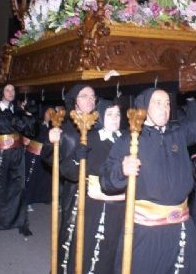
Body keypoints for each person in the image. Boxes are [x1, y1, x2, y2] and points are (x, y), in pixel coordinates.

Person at [100, 87, 196, 273]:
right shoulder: (129, 139)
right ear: (144, 107)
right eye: (157, 103)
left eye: (167, 104)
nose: (164, 108)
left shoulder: (178, 133)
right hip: (146, 230)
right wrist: (121, 170)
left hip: (181, 225)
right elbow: (106, 181)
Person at [50, 99, 126, 274]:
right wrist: (77, 157)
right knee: (90, 250)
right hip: (94, 205)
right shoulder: (89, 138)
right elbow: (67, 171)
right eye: (109, 114)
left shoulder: (127, 139)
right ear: (99, 117)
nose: (115, 119)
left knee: (114, 250)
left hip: (121, 205)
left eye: (117, 114)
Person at [43, 84, 99, 273]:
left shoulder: (100, 125)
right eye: (84, 96)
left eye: (92, 96)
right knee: (72, 234)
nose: (90, 99)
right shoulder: (65, 130)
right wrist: (50, 142)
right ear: (74, 101)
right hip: (75, 190)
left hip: (100, 190)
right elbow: (51, 159)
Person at [0, 84, 36, 236]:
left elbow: (31, 131)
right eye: (7, 90)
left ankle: (21, 223)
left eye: (13, 90)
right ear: (1, 93)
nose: (11, 92)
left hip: (17, 153)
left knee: (19, 187)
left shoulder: (19, 111)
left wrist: (28, 115)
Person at [23, 104, 53, 209]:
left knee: (45, 178)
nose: (50, 115)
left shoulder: (53, 127)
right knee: (31, 178)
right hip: (33, 154)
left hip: (45, 155)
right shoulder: (37, 123)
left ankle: (44, 198)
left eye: (51, 112)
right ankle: (28, 201)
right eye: (48, 112)